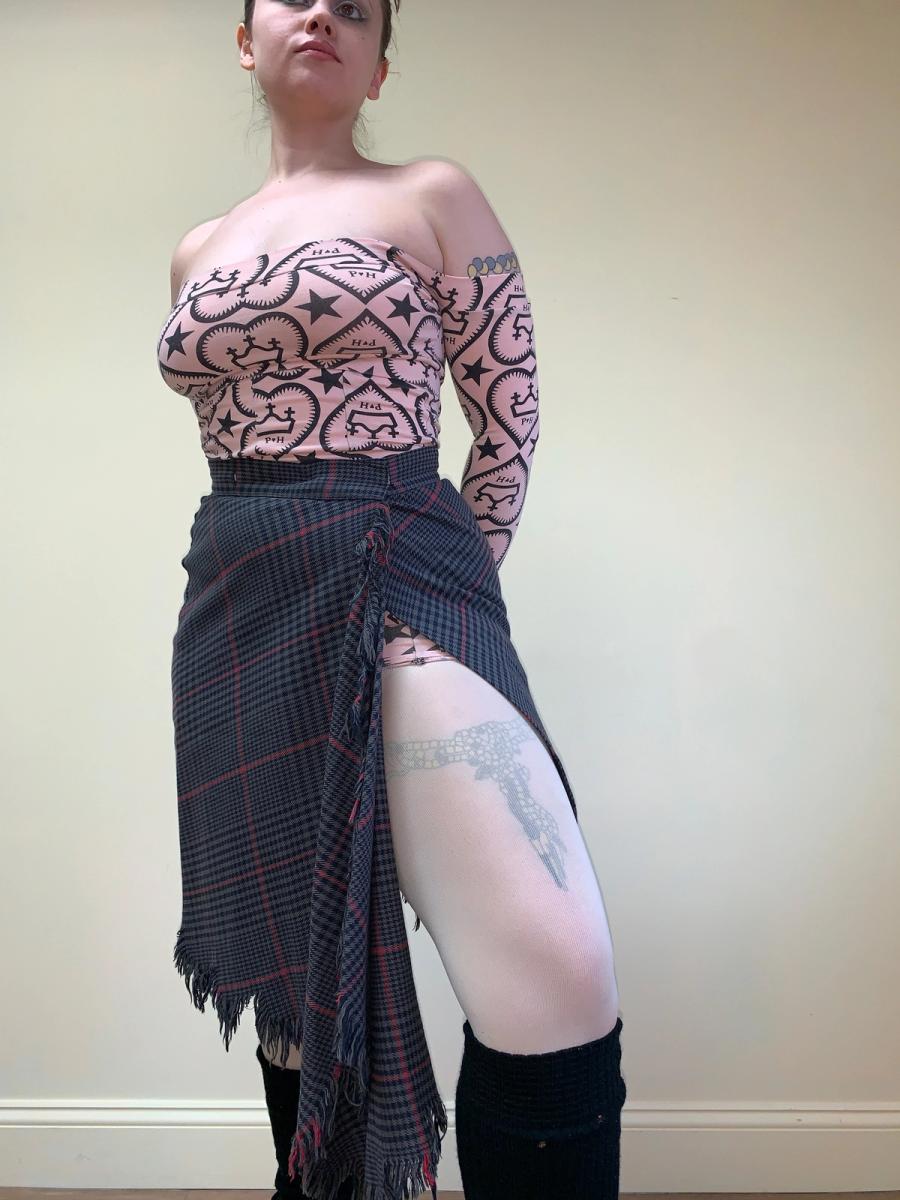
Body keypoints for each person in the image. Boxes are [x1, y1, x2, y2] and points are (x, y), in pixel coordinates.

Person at [156, 2, 627, 1198]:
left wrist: (443, 584)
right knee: (296, 984)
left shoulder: (432, 195)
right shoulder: (198, 249)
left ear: (379, 65)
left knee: (559, 976)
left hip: (397, 566)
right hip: (239, 609)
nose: (325, 11)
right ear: (244, 37)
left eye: (358, 6)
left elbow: (506, 427)